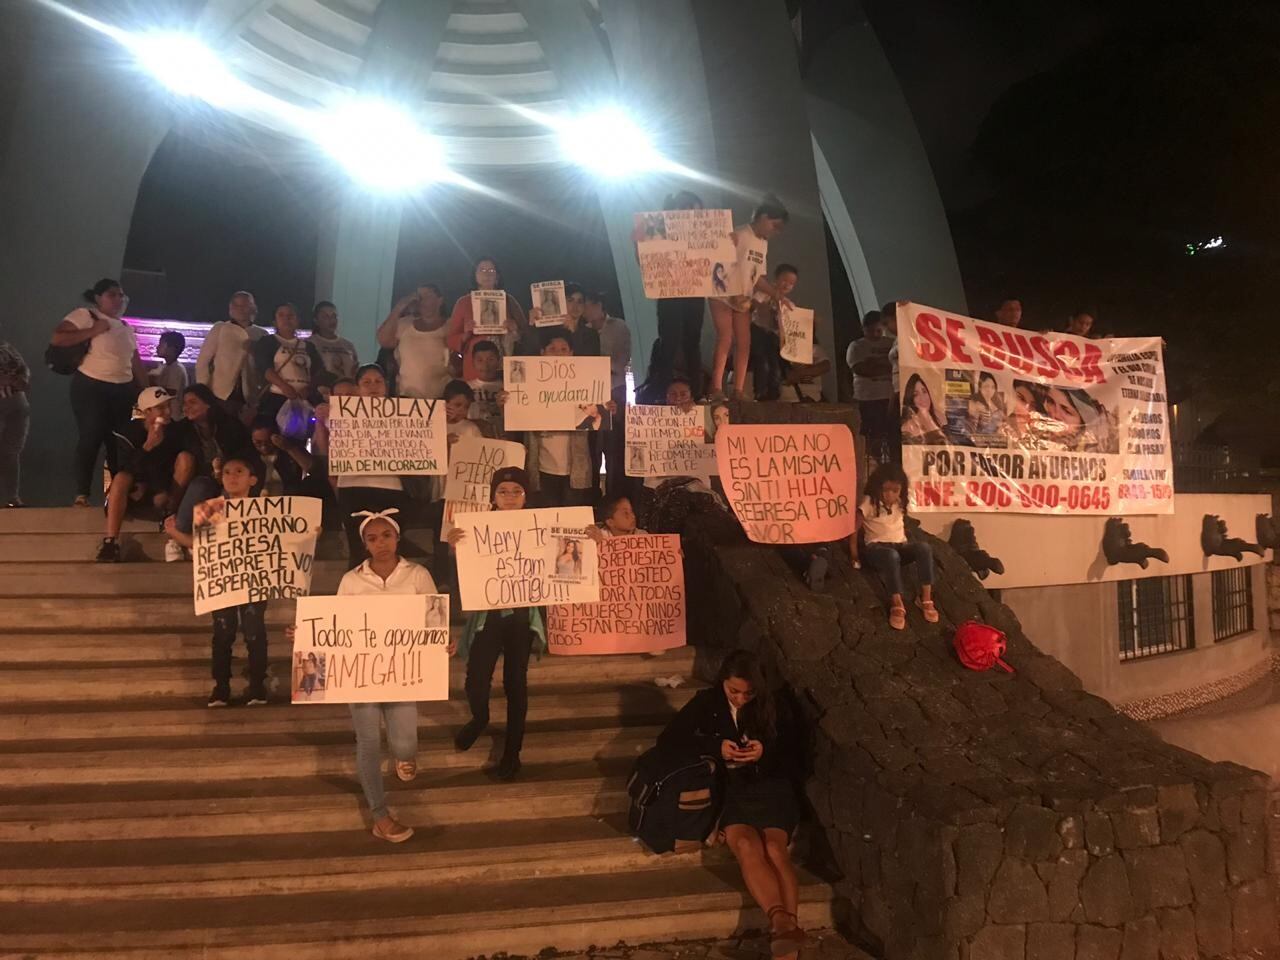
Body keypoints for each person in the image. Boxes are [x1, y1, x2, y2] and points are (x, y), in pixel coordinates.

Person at [286, 508, 454, 842]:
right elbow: (335, 625)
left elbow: (434, 617)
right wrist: (305, 633)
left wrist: (442, 642)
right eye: (372, 538)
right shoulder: (352, 580)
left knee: (405, 741)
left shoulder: (417, 574)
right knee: (368, 741)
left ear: (397, 537)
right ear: (364, 544)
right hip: (360, 677)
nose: (381, 544)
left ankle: (404, 757)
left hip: (405, 673)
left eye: (387, 536)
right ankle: (380, 815)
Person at [656, 650, 806, 957]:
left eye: (748, 694)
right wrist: (715, 747)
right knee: (748, 846)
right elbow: (670, 740)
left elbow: (797, 752)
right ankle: (783, 925)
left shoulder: (775, 703)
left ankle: (784, 939)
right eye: (733, 691)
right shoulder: (706, 702)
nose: (739, 699)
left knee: (775, 849)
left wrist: (764, 752)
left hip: (772, 786)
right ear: (723, 682)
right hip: (732, 790)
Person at [446, 467, 540, 781]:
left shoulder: (542, 526)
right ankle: (480, 717)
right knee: (475, 679)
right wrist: (454, 548)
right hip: (489, 614)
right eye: (504, 491)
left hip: (523, 615)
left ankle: (513, 753)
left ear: (526, 496)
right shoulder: (476, 528)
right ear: (493, 496)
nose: (510, 497)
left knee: (516, 684)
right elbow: (464, 575)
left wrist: (589, 536)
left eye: (516, 491)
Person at [163, 451, 270, 707]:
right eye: (227, 473)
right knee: (223, 632)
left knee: (255, 632)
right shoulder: (213, 512)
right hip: (222, 580)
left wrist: (312, 532)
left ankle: (257, 686)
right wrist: (174, 533)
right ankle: (221, 688)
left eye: (239, 472)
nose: (232, 477)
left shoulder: (265, 511)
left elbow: (282, 540)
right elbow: (201, 546)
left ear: (252, 480)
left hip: (254, 581)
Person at [52, 278, 148, 506]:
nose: (118, 299)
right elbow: (58, 337)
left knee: (119, 441)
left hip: (123, 388)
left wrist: (146, 391)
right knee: (92, 434)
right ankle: (82, 493)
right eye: (111, 295)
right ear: (98, 298)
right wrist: (94, 330)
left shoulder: (126, 327)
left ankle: (117, 493)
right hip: (92, 385)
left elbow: (135, 362)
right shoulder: (86, 315)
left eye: (121, 295)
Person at [500, 334, 610, 508]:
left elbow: (599, 423)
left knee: (572, 524)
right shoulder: (527, 383)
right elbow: (514, 421)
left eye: (563, 349)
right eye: (552, 349)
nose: (558, 354)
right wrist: (506, 403)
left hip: (576, 472)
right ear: (542, 353)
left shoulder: (586, 383)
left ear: (572, 353)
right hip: (541, 470)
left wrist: (607, 409)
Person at [96, 387, 196, 562]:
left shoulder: (176, 431)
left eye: (168, 406)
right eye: (161, 408)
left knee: (186, 458)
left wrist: (163, 492)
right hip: (135, 491)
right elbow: (122, 468)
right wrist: (147, 447)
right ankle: (110, 541)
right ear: (147, 411)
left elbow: (179, 464)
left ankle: (169, 517)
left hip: (164, 490)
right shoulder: (127, 434)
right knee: (121, 478)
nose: (167, 412)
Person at [709, 196, 790, 400]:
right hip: (722, 293)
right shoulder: (739, 234)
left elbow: (757, 277)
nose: (775, 232)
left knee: (744, 342)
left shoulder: (762, 244)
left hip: (743, 297)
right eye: (774, 225)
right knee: (726, 337)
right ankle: (716, 387)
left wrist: (777, 295)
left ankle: (738, 389)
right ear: (763, 217)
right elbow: (721, 264)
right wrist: (733, 290)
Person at [851, 463, 938, 631]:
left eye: (895, 490)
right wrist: (854, 554)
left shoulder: (900, 502)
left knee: (924, 548)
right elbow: (854, 528)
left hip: (899, 546)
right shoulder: (869, 502)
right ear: (877, 487)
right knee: (891, 556)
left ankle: (926, 598)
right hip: (877, 550)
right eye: (885, 490)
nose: (890, 495)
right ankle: (897, 603)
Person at [335, 364, 407, 565]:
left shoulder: (405, 414)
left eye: (378, 381)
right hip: (352, 487)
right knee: (358, 548)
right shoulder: (341, 413)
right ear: (357, 388)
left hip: (391, 486)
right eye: (366, 382)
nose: (373, 386)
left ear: (386, 385)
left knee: (389, 548)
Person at [647, 191, 708, 394]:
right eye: (688, 209)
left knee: (693, 341)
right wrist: (638, 243)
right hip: (669, 292)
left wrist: (728, 243)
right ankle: (664, 392)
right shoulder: (657, 230)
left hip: (695, 291)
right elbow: (647, 265)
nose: (692, 216)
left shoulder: (704, 234)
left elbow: (718, 260)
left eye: (697, 212)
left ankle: (696, 395)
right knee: (670, 342)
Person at [447, 258, 531, 382]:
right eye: (482, 270)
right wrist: (466, 334)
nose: (487, 274)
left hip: (506, 364)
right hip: (476, 368)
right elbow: (451, 340)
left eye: (491, 270)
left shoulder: (509, 300)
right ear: (474, 275)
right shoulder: (464, 302)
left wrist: (515, 331)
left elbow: (527, 334)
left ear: (497, 276)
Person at [195, 290, 265, 416]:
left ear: (253, 308)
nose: (240, 309)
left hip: (249, 395)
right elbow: (203, 361)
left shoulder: (261, 334)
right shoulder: (221, 328)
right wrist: (203, 390)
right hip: (220, 393)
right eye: (236, 305)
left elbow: (264, 366)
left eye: (244, 305)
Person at [376, 284, 451, 401]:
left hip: (441, 398)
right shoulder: (405, 325)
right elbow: (384, 341)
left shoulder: (450, 326)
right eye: (419, 296)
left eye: (427, 296)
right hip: (407, 396)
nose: (422, 301)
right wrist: (399, 307)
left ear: (439, 300)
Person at [252, 303, 323, 423]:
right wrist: (284, 386)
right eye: (281, 315)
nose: (287, 319)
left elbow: (318, 370)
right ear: (275, 321)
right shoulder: (267, 342)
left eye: (291, 315)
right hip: (277, 397)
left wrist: (309, 388)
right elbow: (264, 367)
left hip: (304, 398)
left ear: (297, 320)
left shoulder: (308, 346)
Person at [175, 384, 251, 484]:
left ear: (208, 403)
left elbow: (243, 455)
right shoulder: (182, 429)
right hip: (201, 478)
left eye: (192, 402)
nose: (186, 408)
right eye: (184, 404)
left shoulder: (230, 425)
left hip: (230, 476)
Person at [848, 311, 895, 460]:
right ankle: (872, 462)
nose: (876, 334)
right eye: (871, 331)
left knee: (891, 433)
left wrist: (876, 365)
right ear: (864, 329)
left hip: (890, 397)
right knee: (872, 435)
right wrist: (887, 366)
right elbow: (862, 370)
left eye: (879, 330)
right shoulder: (857, 346)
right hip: (868, 398)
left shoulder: (890, 343)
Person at [748, 264, 799, 401]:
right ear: (776, 279)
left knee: (775, 363)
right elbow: (752, 306)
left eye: (791, 283)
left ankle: (774, 392)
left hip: (775, 336)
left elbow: (793, 323)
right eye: (785, 281)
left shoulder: (789, 305)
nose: (787, 285)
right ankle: (760, 391)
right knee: (762, 361)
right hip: (759, 330)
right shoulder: (763, 294)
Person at [0, 336, 30, 507]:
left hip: (16, 404)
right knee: (10, 453)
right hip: (17, 402)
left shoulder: (6, 347)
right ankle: (12, 498)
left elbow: (24, 376)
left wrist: (17, 381)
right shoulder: (7, 347)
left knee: (10, 452)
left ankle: (12, 497)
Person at [249, 418, 312, 495]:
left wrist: (290, 449)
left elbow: (313, 469)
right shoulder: (249, 459)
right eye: (258, 442)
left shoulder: (289, 454)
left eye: (268, 442)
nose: (263, 447)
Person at [533, 283, 599, 356]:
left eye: (580, 302)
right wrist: (531, 324)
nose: (575, 306)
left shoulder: (591, 335)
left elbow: (590, 363)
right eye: (570, 300)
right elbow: (530, 353)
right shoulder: (547, 331)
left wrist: (574, 333)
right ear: (562, 303)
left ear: (584, 306)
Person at [310, 301, 359, 384]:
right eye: (325, 317)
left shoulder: (348, 345)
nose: (331, 320)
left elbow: (355, 369)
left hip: (346, 391)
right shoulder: (310, 343)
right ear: (316, 320)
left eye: (334, 316)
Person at [466, 341, 505, 433]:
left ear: (499, 361)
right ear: (473, 363)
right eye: (480, 360)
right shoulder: (465, 388)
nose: (485, 365)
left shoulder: (508, 387)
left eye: (490, 359)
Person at [150, 331, 188, 421]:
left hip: (173, 416)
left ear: (171, 349)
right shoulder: (166, 367)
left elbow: (171, 392)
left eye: (161, 344)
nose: (157, 347)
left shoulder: (177, 369)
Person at [900, 373, 947, 444]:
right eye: (916, 394)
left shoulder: (940, 417)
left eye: (924, 391)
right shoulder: (906, 429)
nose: (922, 398)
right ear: (911, 399)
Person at [966, 372, 1005, 442]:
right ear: (980, 387)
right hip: (978, 443)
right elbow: (971, 431)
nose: (989, 390)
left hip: (995, 445)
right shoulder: (974, 404)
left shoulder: (999, 409)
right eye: (986, 386)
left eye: (993, 387)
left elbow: (1001, 430)